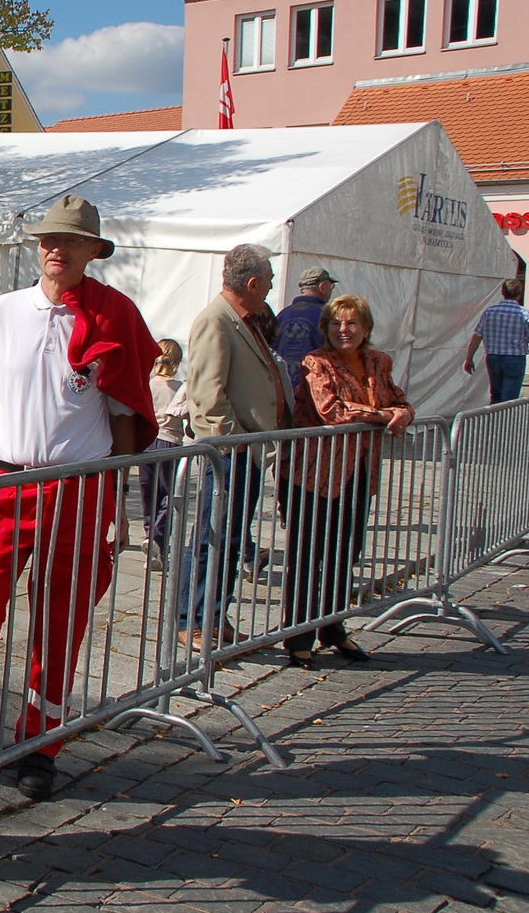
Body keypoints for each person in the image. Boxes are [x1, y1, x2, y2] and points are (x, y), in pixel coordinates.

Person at [0, 195, 156, 802]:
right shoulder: (1, 311)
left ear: (93, 251)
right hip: (8, 483)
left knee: (60, 621)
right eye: (47, 239)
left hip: (81, 486)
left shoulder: (114, 315)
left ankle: (40, 742)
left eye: (69, 240)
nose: (55, 249)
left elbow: (126, 413)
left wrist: (116, 503)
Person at [281, 295, 413, 668]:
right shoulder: (316, 361)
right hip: (315, 474)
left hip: (359, 473)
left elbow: (401, 400)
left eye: (352, 323)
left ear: (366, 328)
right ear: (325, 328)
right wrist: (385, 414)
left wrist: (400, 410)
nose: (344, 330)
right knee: (307, 557)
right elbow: (331, 409)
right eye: (336, 323)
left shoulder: (378, 361)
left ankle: (334, 628)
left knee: (345, 553)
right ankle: (298, 636)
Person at [180, 244, 287, 651]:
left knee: (231, 536)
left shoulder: (247, 319)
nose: (272, 287)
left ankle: (214, 615)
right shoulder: (216, 320)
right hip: (230, 453)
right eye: (269, 280)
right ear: (253, 282)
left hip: (246, 451)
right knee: (212, 536)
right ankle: (192, 619)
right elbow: (207, 396)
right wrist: (235, 443)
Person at [138, 339, 188, 569]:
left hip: (147, 442)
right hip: (170, 442)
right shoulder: (179, 387)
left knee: (150, 493)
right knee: (171, 494)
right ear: (176, 362)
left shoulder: (147, 385)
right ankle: (158, 536)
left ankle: (150, 534)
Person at [463, 279, 529, 404]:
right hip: (515, 358)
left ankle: (494, 422)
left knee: (496, 395)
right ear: (519, 293)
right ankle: (506, 423)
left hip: (493, 357)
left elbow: (477, 336)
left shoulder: (490, 312)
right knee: (509, 399)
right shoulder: (525, 314)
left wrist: (469, 358)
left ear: (502, 292)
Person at [274, 267, 337, 394]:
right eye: (331, 286)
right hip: (316, 394)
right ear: (323, 287)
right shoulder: (329, 316)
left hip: (281, 391)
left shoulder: (282, 315)